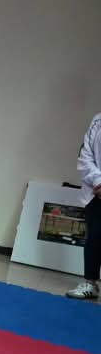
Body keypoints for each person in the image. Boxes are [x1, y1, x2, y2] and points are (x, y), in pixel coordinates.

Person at [67, 112, 101, 300]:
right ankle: (90, 283)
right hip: (96, 190)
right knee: (94, 236)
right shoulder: (98, 120)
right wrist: (98, 181)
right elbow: (85, 155)